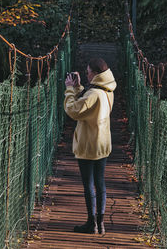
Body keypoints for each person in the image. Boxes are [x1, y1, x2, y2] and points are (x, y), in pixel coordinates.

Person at [64, 58, 117, 234]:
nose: (86, 75)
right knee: (100, 183)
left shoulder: (94, 94)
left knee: (88, 184)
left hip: (88, 144)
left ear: (95, 74)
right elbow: (87, 104)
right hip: (102, 142)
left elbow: (74, 110)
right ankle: (100, 224)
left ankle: (91, 223)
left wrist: (70, 90)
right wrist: (79, 88)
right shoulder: (107, 90)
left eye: (88, 72)